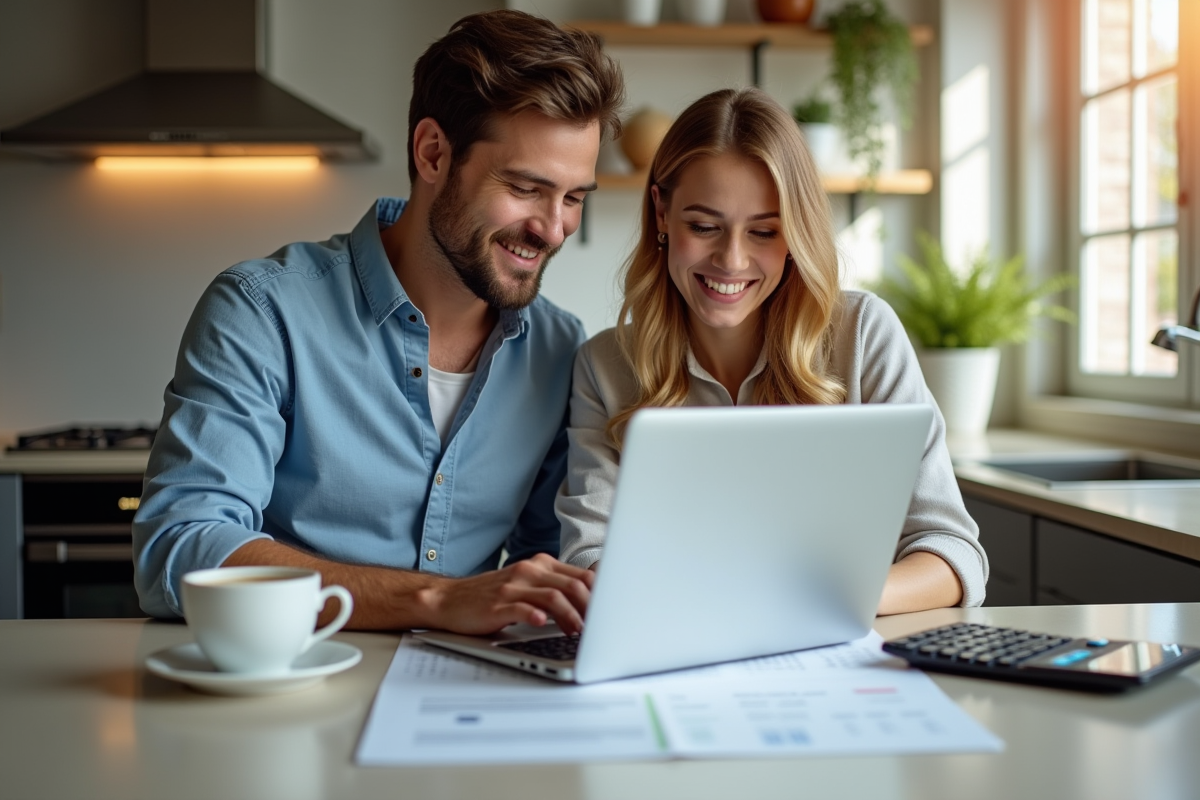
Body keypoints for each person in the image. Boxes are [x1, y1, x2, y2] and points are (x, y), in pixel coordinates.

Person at [133, 10, 625, 634]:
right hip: (283, 688)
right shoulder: (263, 311)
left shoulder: (558, 349)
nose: (554, 228)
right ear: (433, 153)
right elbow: (178, 549)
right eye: (526, 188)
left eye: (575, 197)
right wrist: (432, 601)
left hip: (463, 695)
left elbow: (545, 563)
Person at [556, 88, 988, 613]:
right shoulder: (605, 367)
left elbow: (953, 552)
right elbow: (587, 556)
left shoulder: (863, 335)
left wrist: (823, 598)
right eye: (704, 226)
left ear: (797, 234)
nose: (731, 260)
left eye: (764, 231)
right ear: (662, 213)